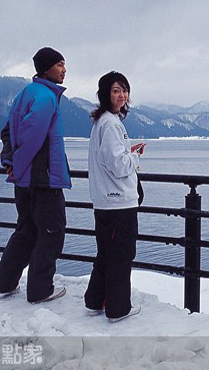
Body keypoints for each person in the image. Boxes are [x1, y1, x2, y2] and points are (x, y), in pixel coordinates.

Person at [0, 47, 72, 303]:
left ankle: (4, 283)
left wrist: (9, 161)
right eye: (60, 64)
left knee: (27, 229)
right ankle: (40, 290)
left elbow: (8, 132)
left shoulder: (25, 93)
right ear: (47, 67)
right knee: (52, 232)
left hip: (26, 181)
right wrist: (17, 165)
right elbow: (30, 137)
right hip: (43, 179)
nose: (64, 70)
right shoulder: (46, 97)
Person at [84, 71, 143, 322]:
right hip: (118, 201)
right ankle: (118, 308)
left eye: (124, 90)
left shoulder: (104, 122)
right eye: (116, 90)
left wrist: (127, 153)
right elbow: (118, 164)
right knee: (121, 254)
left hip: (106, 201)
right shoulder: (110, 123)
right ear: (106, 94)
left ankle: (95, 301)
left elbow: (111, 157)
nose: (122, 95)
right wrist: (135, 157)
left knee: (107, 253)